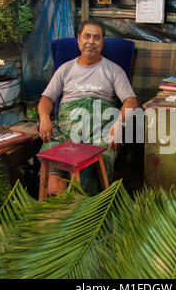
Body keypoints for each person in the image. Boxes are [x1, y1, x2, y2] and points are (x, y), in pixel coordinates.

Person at [38, 19, 138, 196]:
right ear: (78, 39)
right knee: (50, 156)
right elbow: (46, 99)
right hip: (66, 134)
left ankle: (82, 209)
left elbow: (130, 102)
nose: (91, 42)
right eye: (87, 36)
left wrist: (118, 127)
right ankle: (58, 207)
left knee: (101, 156)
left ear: (102, 42)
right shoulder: (65, 69)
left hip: (101, 134)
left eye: (97, 38)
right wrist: (45, 119)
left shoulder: (113, 70)